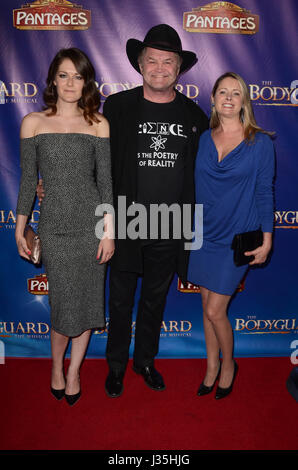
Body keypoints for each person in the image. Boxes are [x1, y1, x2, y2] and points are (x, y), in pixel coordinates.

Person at [102, 24, 209, 397]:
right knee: (119, 300)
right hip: (125, 220)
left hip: (171, 223)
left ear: (179, 69)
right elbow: (98, 162)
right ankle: (115, 365)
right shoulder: (117, 107)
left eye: (168, 62)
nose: (160, 68)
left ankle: (144, 361)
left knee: (154, 301)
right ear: (140, 64)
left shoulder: (195, 116)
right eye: (153, 60)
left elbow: (207, 174)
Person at [15, 48, 114, 406]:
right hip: (54, 227)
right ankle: (56, 366)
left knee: (88, 305)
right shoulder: (33, 122)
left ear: (87, 81)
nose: (71, 82)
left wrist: (109, 231)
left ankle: (73, 373)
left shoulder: (99, 124)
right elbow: (28, 181)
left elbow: (106, 183)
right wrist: (20, 227)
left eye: (78, 76)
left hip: (91, 227)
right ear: (53, 79)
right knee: (62, 307)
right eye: (64, 75)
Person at [187, 72, 275, 399]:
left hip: (235, 236)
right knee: (206, 305)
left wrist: (267, 239)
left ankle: (228, 365)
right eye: (222, 92)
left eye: (235, 93)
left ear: (244, 101)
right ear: (212, 99)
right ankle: (211, 366)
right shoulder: (204, 139)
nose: (227, 97)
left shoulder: (259, 142)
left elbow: (265, 192)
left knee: (215, 311)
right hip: (202, 233)